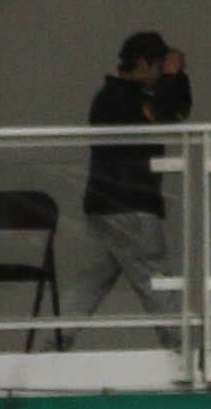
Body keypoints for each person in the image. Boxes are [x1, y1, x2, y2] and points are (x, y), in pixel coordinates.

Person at [75, 30, 187, 324]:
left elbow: (175, 113)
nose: (162, 72)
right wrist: (174, 77)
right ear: (142, 63)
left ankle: (51, 342)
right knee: (156, 278)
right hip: (129, 206)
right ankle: (180, 347)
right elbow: (163, 112)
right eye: (159, 65)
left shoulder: (113, 96)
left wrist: (178, 78)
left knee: (92, 282)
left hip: (105, 206)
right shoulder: (121, 98)